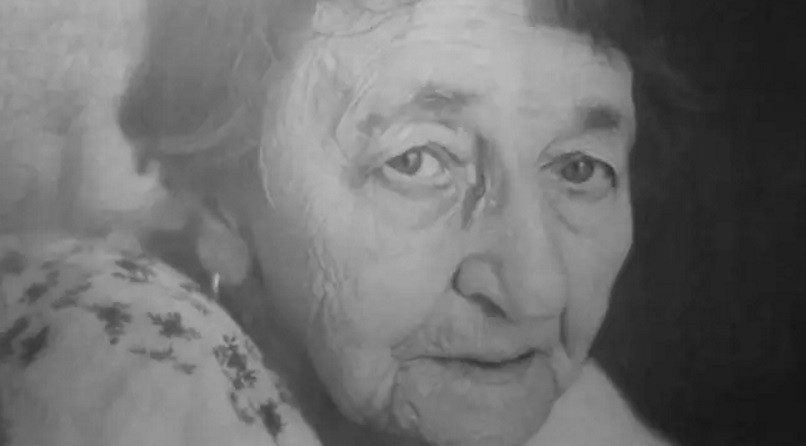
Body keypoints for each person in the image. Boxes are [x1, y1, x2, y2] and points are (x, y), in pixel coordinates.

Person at [1, 0, 687, 444]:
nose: (538, 290)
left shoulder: (581, 421)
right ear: (218, 212)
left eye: (579, 169)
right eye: (416, 160)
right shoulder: (122, 365)